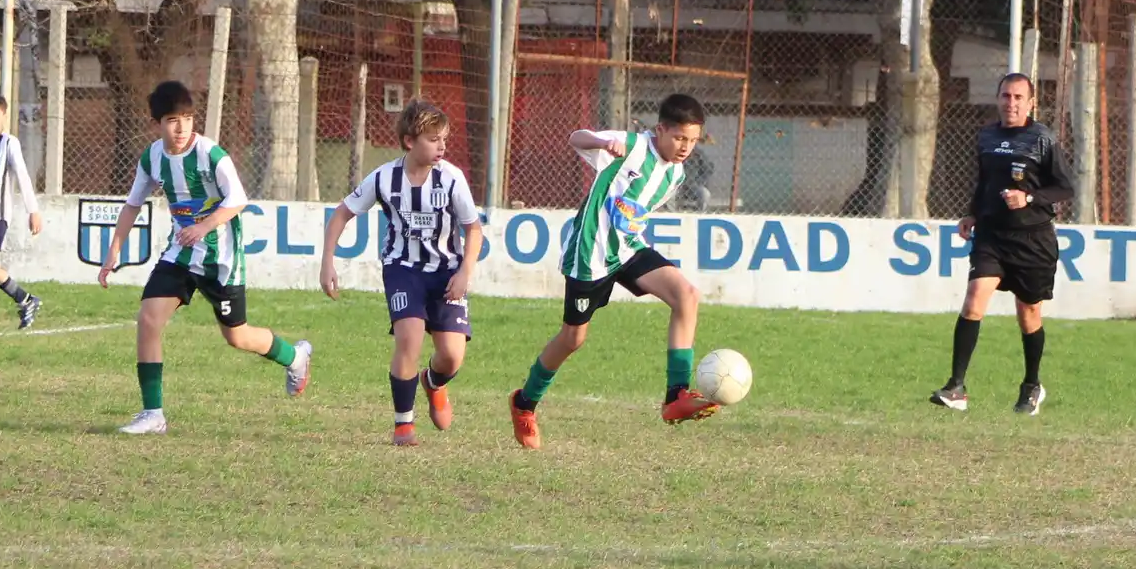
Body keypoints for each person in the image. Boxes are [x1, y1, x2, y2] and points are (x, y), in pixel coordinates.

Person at [99, 81, 312, 435]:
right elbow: (133, 204)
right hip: (180, 253)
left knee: (237, 337)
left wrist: (203, 227)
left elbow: (238, 199)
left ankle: (295, 356)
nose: (181, 127)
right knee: (148, 319)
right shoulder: (152, 157)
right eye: (171, 119)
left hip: (221, 257)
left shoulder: (210, 154)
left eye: (186, 118)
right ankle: (153, 413)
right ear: (157, 123)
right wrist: (112, 252)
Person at [509, 93, 717, 450]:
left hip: (629, 249)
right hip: (590, 253)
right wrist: (604, 141)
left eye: (693, 140)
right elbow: (576, 138)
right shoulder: (631, 146)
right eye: (680, 138)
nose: (686, 147)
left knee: (687, 296)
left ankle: (676, 394)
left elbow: (632, 208)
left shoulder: (676, 175)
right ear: (660, 130)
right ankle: (524, 403)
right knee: (573, 339)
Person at [320, 99, 483, 447]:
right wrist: (327, 261)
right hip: (403, 269)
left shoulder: (452, 179)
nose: (441, 146)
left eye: (444, 139)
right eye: (433, 139)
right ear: (410, 142)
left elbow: (473, 229)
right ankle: (403, 425)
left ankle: (434, 384)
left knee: (452, 356)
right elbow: (341, 215)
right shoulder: (383, 178)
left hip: (445, 271)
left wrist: (465, 272)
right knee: (409, 339)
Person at [930, 72, 1075, 416]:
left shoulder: (1042, 139)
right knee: (973, 301)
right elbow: (984, 182)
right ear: (998, 99)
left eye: (1018, 97)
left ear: (1031, 102)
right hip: (992, 235)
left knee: (1028, 314)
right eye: (1006, 96)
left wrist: (1029, 198)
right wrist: (972, 214)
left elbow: (1065, 188)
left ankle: (1032, 386)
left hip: (1033, 240)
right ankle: (957, 388)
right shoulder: (986, 136)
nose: (1011, 103)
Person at [0, 94, 44, 329]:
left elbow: (23, 177)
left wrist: (33, 210)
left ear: (5, 117)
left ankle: (26, 300)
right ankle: (26, 300)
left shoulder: (9, 143)